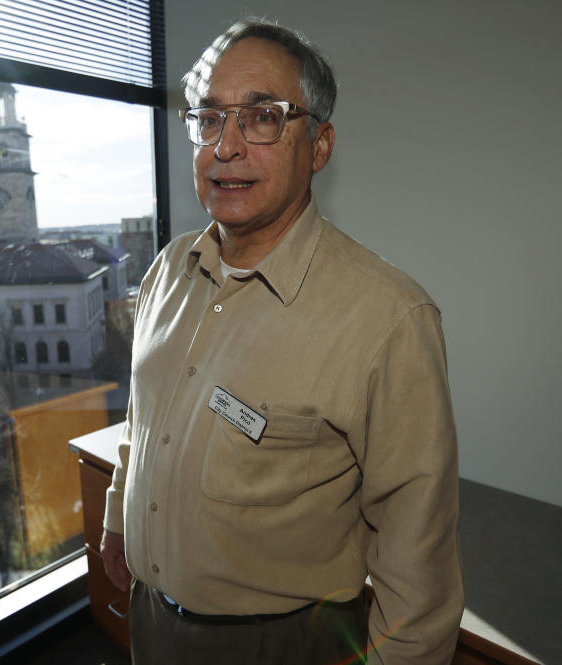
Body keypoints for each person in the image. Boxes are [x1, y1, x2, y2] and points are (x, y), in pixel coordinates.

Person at [100, 18, 463, 665]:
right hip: (153, 622)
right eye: (208, 119)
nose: (226, 146)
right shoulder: (166, 271)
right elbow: (143, 414)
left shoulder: (388, 318)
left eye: (262, 117)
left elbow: (419, 580)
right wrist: (117, 521)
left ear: (319, 145)